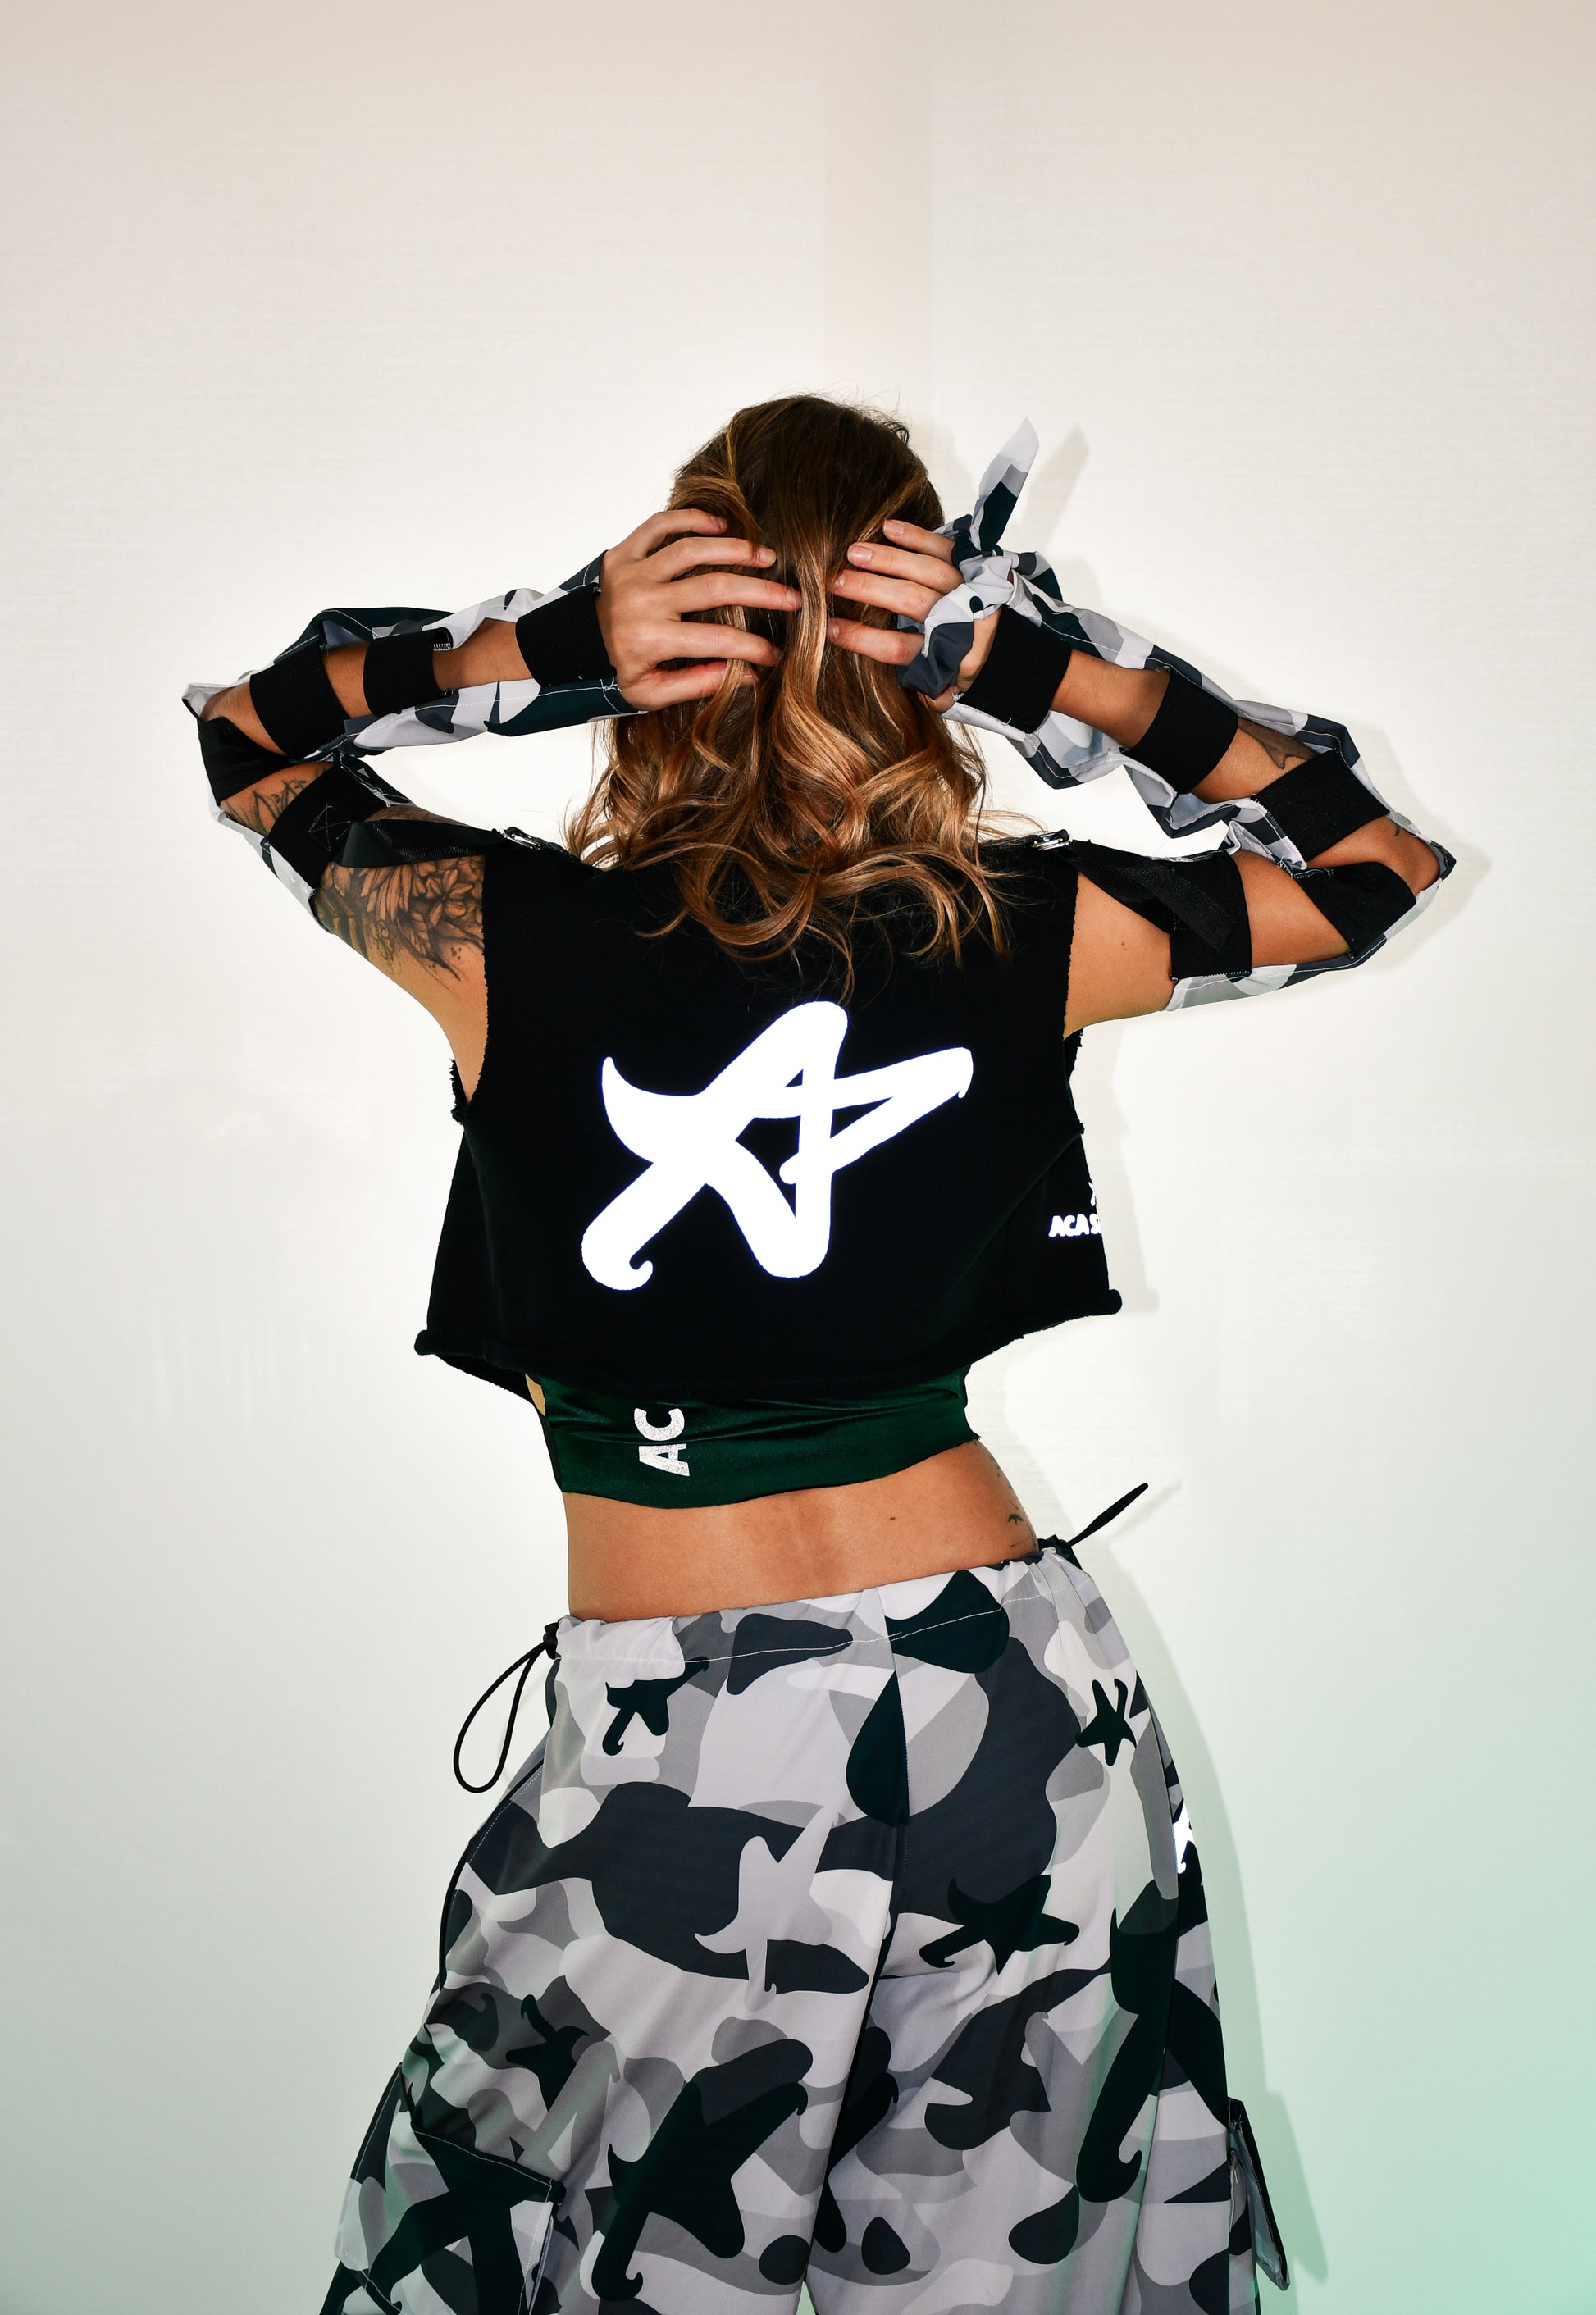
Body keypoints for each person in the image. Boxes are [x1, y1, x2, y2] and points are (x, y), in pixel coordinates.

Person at [190, 396, 1446, 2315]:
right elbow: (1364, 863)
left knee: (537, 2253)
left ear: (666, 635)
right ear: (911, 647)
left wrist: (538, 649)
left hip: (680, 1761)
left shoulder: (493, 933)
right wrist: (1050, 672)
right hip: (1005, 1712)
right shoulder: (1028, 926)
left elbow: (251, 744)